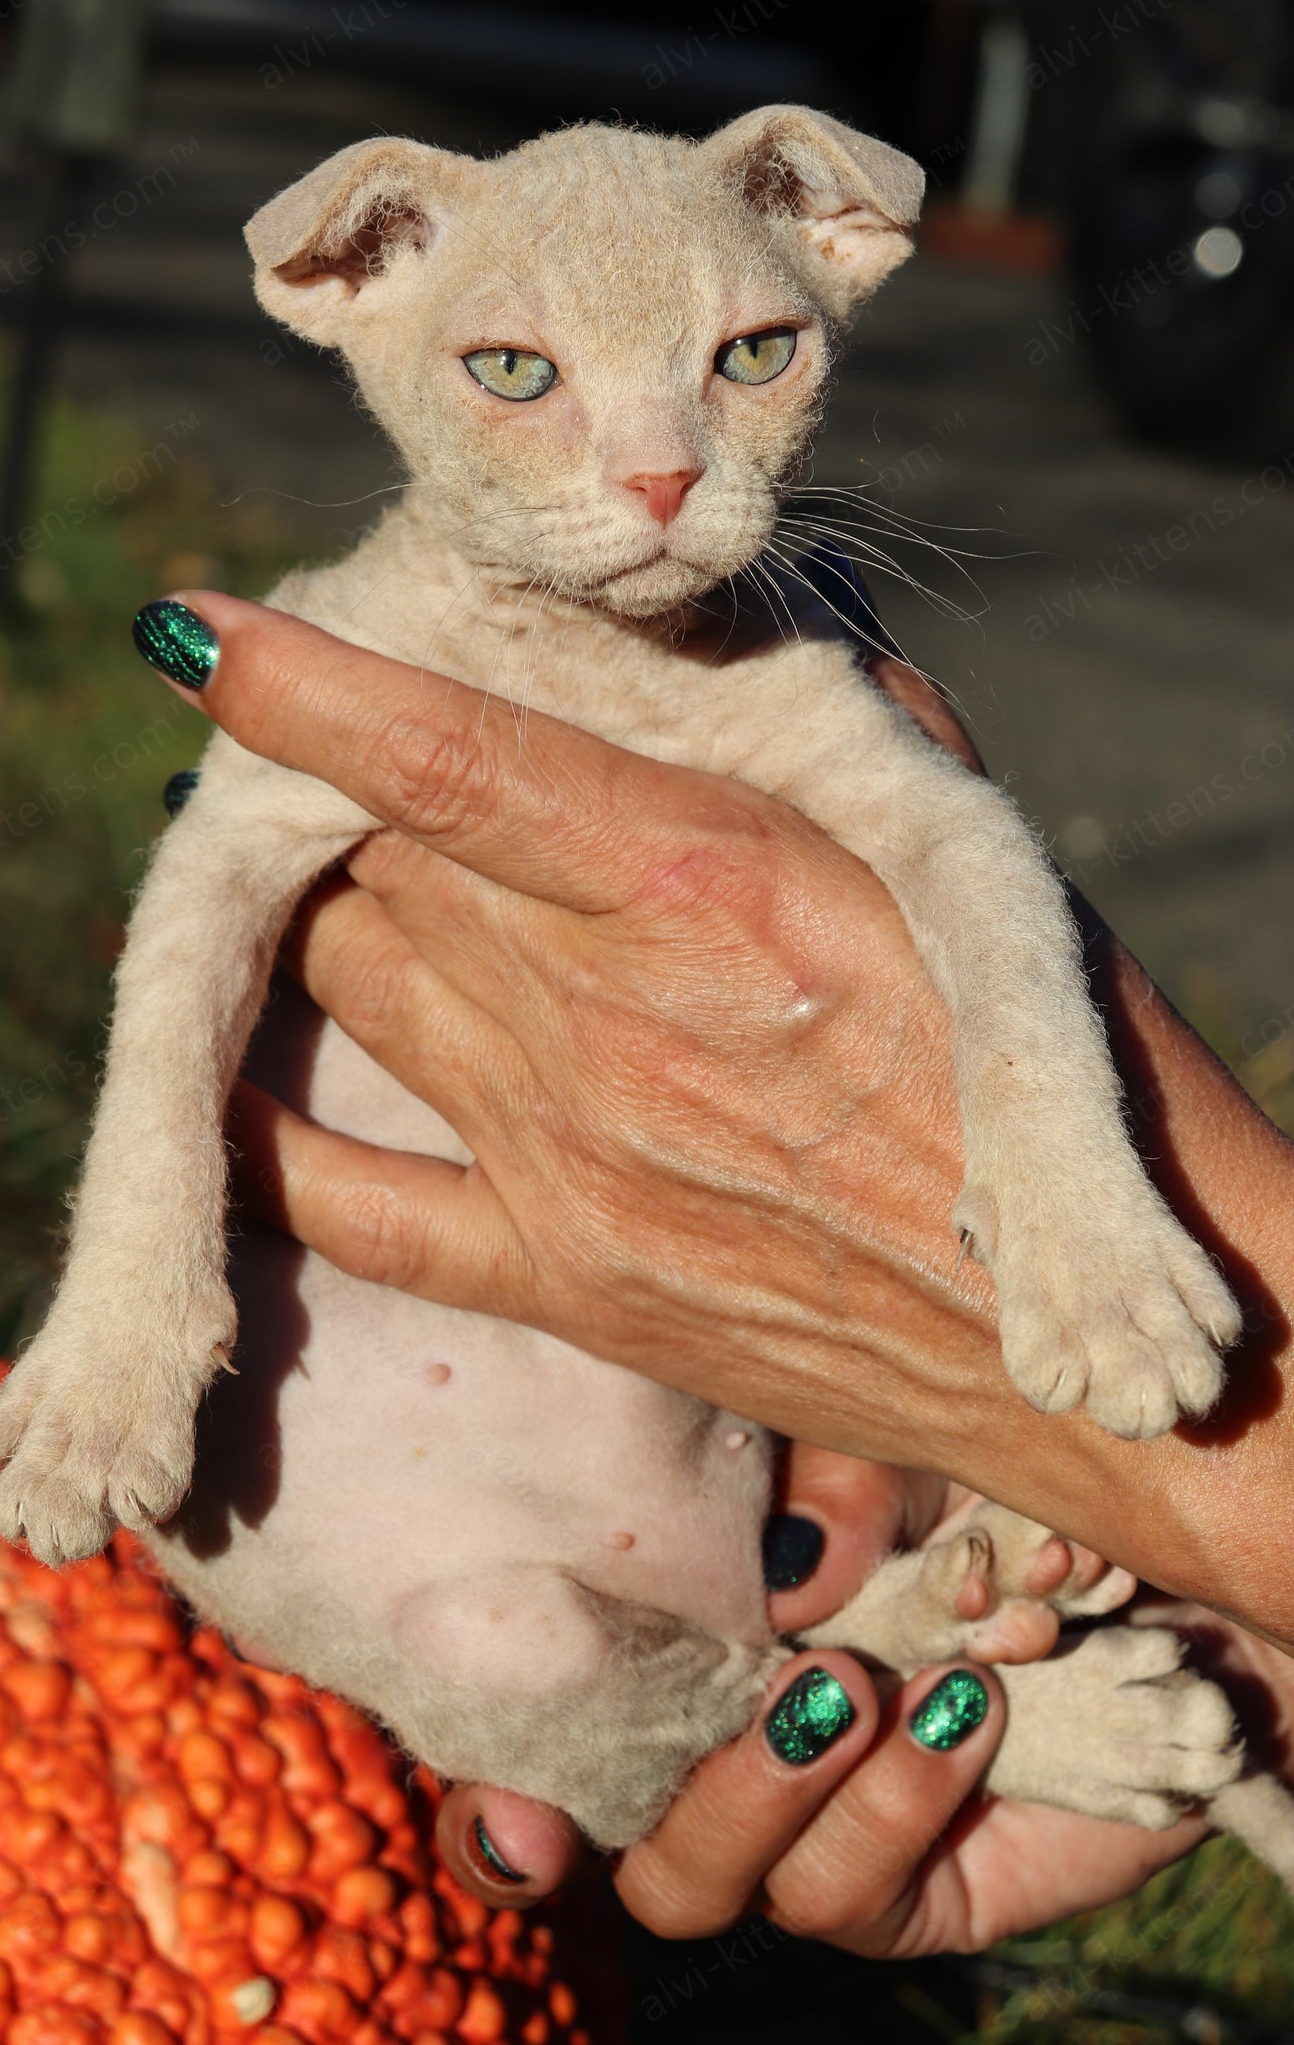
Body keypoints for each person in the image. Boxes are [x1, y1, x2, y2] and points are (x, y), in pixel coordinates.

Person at [144, 587, 1294, 1950]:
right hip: (506, 1510)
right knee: (510, 1656)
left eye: (760, 357)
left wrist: (1197, 1488)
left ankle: (875, 1641)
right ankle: (869, 1645)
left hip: (676, 1495)